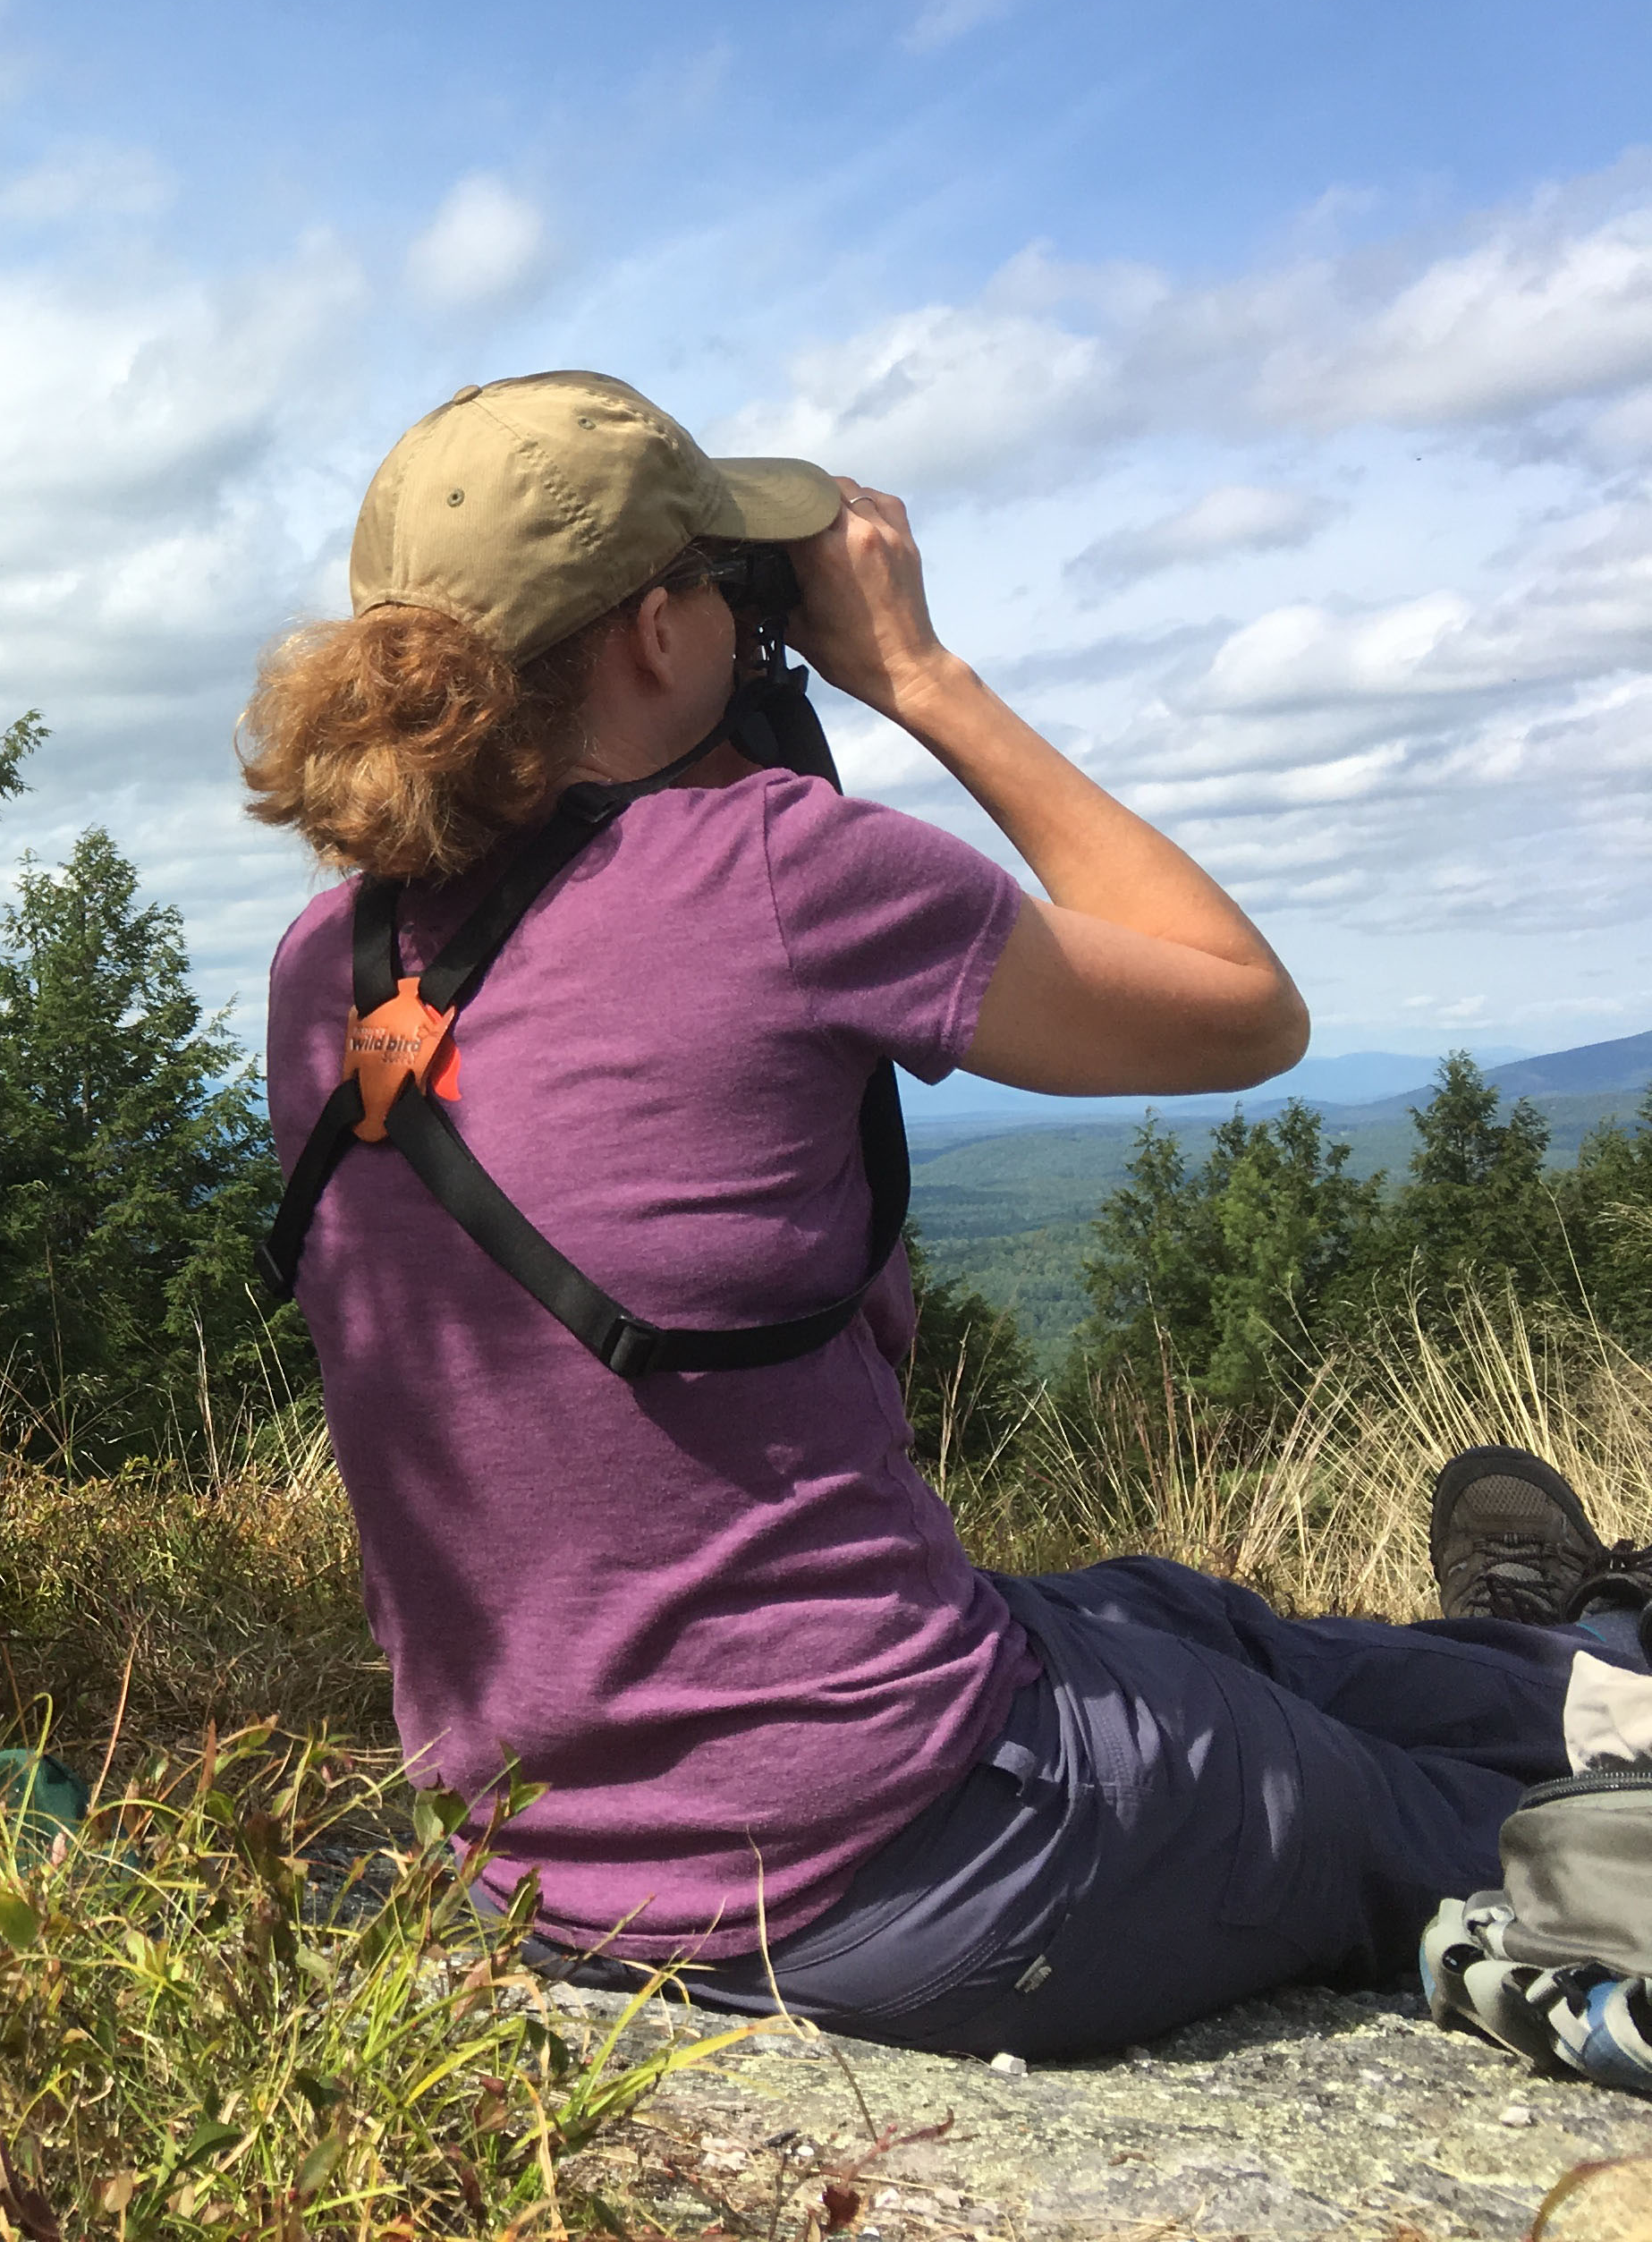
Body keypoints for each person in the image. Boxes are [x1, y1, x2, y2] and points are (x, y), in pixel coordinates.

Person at [238, 369, 1647, 2059]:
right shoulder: (774, 865)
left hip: (545, 1862)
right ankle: (1586, 1758)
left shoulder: (326, 965)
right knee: (1368, 1795)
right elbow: (1243, 1006)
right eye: (726, 584)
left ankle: (1580, 1673)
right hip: (902, 1861)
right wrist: (914, 673)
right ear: (655, 631)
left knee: (1173, 1616)